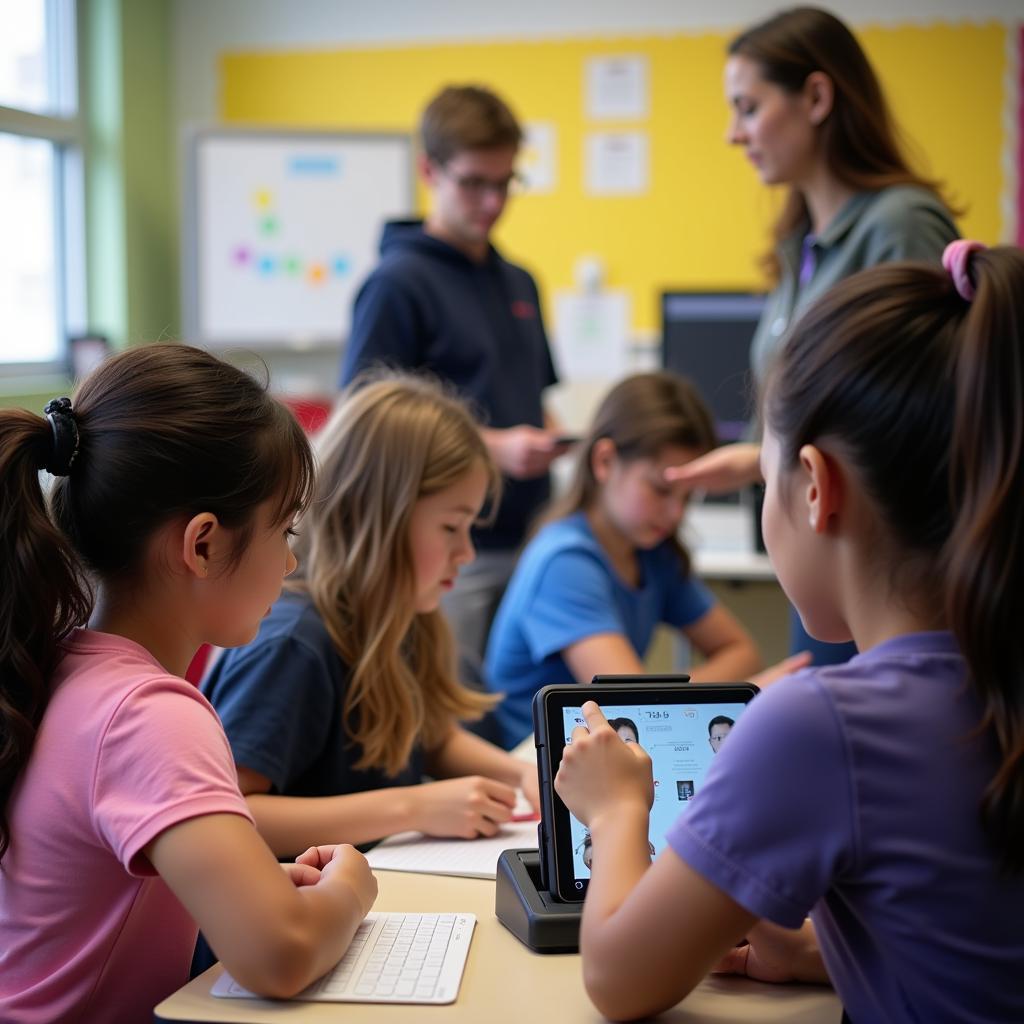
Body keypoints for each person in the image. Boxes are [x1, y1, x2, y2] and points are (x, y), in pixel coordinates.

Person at [552, 244, 1024, 1023]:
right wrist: (821, 955)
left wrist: (614, 811)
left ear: (815, 487)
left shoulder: (822, 725)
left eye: (764, 481)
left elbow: (617, 978)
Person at [0, 345, 377, 1022]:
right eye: (285, 529)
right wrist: (351, 889)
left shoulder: (59, 665)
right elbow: (282, 956)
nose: (293, 561)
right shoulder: (146, 716)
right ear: (202, 544)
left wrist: (239, 886)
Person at [669, 6, 960, 666]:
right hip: (823, 553)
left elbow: (919, 419)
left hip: (882, 572)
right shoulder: (804, 246)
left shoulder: (900, 226)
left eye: (747, 107)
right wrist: (752, 458)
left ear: (818, 97)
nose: (732, 133)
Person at [201, 375, 540, 863]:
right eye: (450, 527)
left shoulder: (394, 616)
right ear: (379, 517)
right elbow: (230, 819)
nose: (466, 553)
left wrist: (525, 775)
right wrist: (410, 807)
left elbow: (430, 738)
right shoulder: (294, 643)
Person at [339, 84, 567, 664]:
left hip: (531, 536)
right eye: (474, 183)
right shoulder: (396, 284)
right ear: (429, 171)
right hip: (447, 555)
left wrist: (556, 440)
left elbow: (535, 396)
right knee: (451, 719)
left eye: (505, 182)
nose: (492, 202)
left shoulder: (519, 281)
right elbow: (370, 427)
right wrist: (495, 449)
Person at [484, 372, 801, 750]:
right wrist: (730, 694)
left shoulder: (653, 551)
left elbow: (741, 651)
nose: (674, 514)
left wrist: (672, 698)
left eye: (687, 497)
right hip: (531, 767)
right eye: (661, 489)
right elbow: (630, 707)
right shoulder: (565, 563)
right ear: (604, 461)